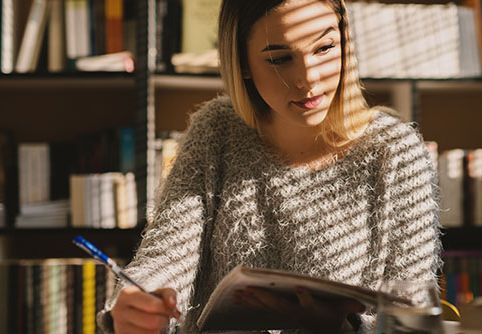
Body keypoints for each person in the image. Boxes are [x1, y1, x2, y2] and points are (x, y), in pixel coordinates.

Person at [97, 0, 442, 333]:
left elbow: (411, 314)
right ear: (242, 62)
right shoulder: (216, 132)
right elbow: (168, 255)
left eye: (324, 48)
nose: (308, 78)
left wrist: (342, 326)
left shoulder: (395, 152)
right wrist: (140, 301)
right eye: (279, 58)